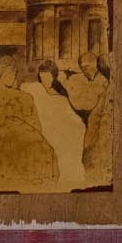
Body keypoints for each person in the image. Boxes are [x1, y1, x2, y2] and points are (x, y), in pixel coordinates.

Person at [0, 54, 56, 188]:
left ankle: (37, 175)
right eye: (9, 73)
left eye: (14, 73)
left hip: (18, 133)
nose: (12, 77)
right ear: (1, 74)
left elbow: (34, 123)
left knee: (41, 145)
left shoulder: (23, 96)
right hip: (0, 134)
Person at [26, 59, 88, 190]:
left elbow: (68, 111)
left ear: (53, 77)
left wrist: (77, 122)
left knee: (75, 131)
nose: (45, 80)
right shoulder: (35, 89)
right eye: (43, 76)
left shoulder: (60, 91)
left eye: (48, 77)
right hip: (43, 124)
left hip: (59, 125)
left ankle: (70, 175)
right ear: (39, 76)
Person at [65, 50, 114, 186]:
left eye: (87, 67)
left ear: (95, 66)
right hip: (79, 117)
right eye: (82, 68)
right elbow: (74, 100)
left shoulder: (104, 82)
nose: (85, 71)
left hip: (95, 121)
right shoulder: (76, 80)